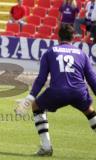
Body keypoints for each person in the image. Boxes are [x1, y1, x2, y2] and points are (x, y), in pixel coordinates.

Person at [17, 25, 96, 156]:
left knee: (36, 105)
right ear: (73, 39)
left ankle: (46, 147)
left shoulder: (49, 52)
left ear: (58, 37)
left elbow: (41, 79)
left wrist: (30, 98)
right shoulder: (82, 54)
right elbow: (92, 79)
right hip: (79, 91)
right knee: (89, 111)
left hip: (58, 91)